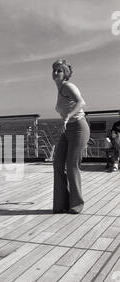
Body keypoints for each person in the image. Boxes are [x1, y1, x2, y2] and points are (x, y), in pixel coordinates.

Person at [52, 59, 90, 214]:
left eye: (59, 70)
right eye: (54, 70)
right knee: (58, 164)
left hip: (79, 128)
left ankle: (76, 204)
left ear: (65, 73)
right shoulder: (60, 89)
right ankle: (61, 204)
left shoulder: (68, 86)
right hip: (68, 130)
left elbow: (81, 102)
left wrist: (67, 116)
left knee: (72, 165)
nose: (56, 73)